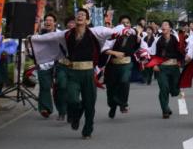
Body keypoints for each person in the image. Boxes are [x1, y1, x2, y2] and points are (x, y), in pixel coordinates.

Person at [29, 8, 124, 138]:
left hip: (89, 73)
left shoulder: (96, 32)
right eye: (78, 14)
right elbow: (50, 36)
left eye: (83, 15)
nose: (79, 16)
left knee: (89, 103)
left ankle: (87, 130)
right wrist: (33, 38)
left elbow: (114, 32)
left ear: (87, 20)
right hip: (73, 72)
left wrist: (126, 30)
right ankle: (76, 113)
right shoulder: (67, 34)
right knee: (73, 100)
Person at [104, 16, 140, 118]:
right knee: (111, 87)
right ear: (119, 25)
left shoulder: (134, 35)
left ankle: (123, 104)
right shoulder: (113, 35)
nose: (125, 25)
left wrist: (138, 41)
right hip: (112, 64)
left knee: (124, 81)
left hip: (126, 63)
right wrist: (114, 52)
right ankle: (112, 106)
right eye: (123, 23)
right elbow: (105, 47)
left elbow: (139, 47)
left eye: (127, 23)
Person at [149, 20, 185, 120]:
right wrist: (154, 65)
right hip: (162, 67)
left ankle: (174, 96)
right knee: (164, 88)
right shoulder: (157, 40)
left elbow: (182, 51)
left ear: (170, 28)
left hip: (174, 67)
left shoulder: (176, 38)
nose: (163, 26)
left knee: (175, 90)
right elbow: (152, 53)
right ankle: (165, 110)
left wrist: (181, 61)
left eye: (165, 25)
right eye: (162, 24)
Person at [35, 14, 64, 119]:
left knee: (60, 87)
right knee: (44, 86)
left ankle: (62, 110)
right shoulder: (39, 35)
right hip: (43, 64)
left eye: (50, 20)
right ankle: (45, 109)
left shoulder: (61, 35)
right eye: (46, 20)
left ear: (55, 23)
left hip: (59, 64)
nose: (48, 22)